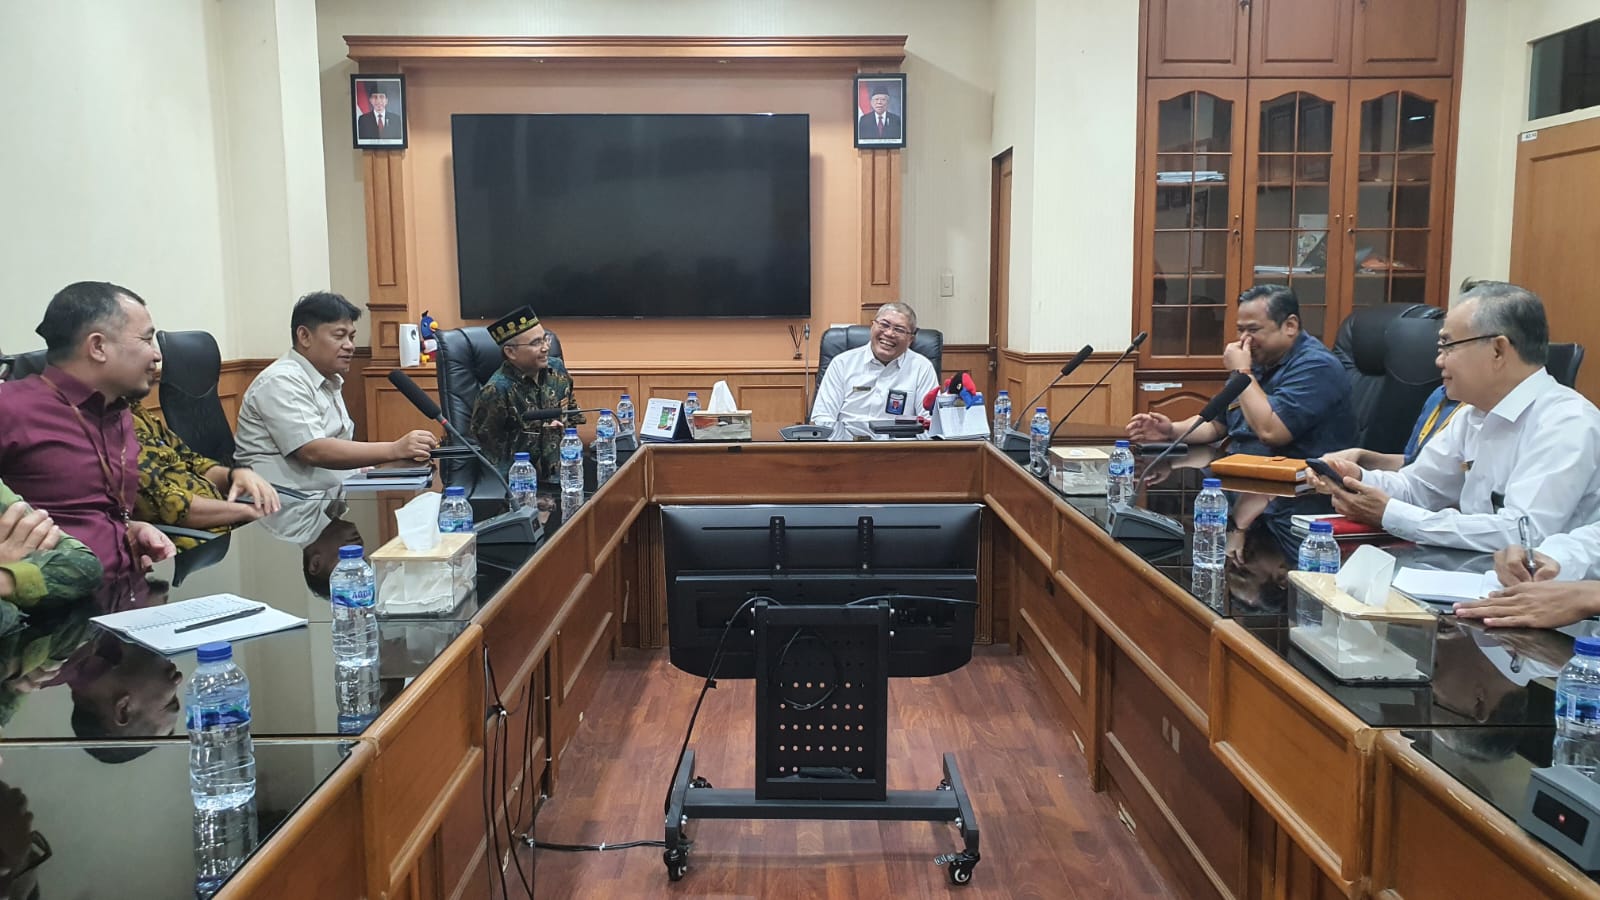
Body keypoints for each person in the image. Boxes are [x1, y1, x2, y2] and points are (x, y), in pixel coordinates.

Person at [1309, 281, 1600, 552]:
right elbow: (1419, 488)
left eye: (1448, 346)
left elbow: (1523, 535)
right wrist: (1357, 478)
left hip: (1543, 586)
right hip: (1470, 573)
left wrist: (1392, 514)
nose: (1439, 360)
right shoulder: (1471, 415)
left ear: (1498, 350)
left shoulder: (1567, 422)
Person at [0, 282, 177, 578]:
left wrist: (129, 530)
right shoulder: (10, 408)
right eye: (146, 340)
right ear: (97, 347)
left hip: (127, 589)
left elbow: (85, 512)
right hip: (51, 600)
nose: (156, 355)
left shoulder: (118, 411)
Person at [234, 292, 437, 491]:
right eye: (339, 336)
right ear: (304, 336)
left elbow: (337, 452)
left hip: (329, 497)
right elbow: (314, 450)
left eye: (352, 337)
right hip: (286, 503)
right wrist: (394, 449)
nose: (350, 346)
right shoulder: (281, 380)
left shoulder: (329, 378)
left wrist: (378, 468)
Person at [1127, 285, 1354, 460]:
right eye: (1240, 330)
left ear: (1290, 326)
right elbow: (1216, 425)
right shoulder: (1258, 359)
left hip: (1295, 491)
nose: (1244, 339)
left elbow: (1271, 432)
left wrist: (1242, 372)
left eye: (1253, 329)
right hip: (1243, 476)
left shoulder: (1317, 366)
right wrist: (1171, 431)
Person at [131, 400, 280, 541]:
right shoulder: (120, 432)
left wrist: (234, 475)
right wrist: (246, 511)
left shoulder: (138, 413)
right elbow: (171, 505)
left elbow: (192, 462)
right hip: (189, 542)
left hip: (226, 526)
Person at [467, 306, 583, 482]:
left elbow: (573, 416)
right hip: (520, 482)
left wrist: (564, 429)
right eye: (536, 343)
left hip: (563, 474)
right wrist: (539, 435)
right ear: (510, 352)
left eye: (545, 339)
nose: (545, 348)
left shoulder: (557, 369)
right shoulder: (496, 390)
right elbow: (488, 452)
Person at [809, 302, 939, 434]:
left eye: (899, 330)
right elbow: (822, 420)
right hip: (848, 443)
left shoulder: (922, 368)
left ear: (910, 339)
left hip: (899, 445)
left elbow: (930, 424)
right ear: (872, 326)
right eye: (884, 325)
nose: (889, 333)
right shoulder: (842, 363)